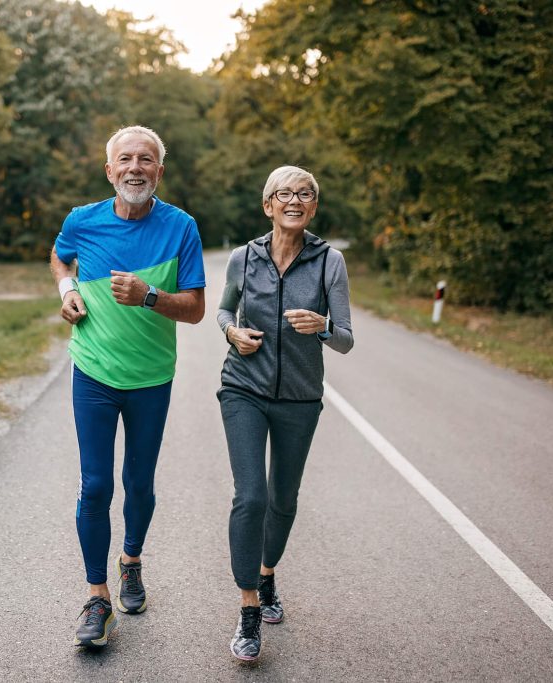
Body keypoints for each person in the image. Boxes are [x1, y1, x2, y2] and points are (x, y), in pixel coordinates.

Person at [50, 125, 206, 648]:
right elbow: (59, 255)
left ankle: (131, 561)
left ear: (159, 171)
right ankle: (97, 599)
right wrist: (67, 289)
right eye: (126, 159)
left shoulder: (181, 226)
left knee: (139, 483)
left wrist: (148, 296)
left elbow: (197, 309)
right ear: (109, 169)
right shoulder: (82, 220)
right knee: (95, 485)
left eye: (146, 160)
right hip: (92, 371)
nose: (135, 167)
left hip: (150, 378)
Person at [216, 165, 353, 661]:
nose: (294, 200)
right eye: (284, 193)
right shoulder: (242, 257)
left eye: (305, 194)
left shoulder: (329, 262)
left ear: (313, 208)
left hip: (299, 397)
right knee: (250, 496)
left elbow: (346, 340)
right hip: (243, 388)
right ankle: (249, 607)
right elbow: (224, 312)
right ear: (267, 204)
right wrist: (233, 333)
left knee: (283, 499)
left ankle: (268, 573)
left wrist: (321, 325)